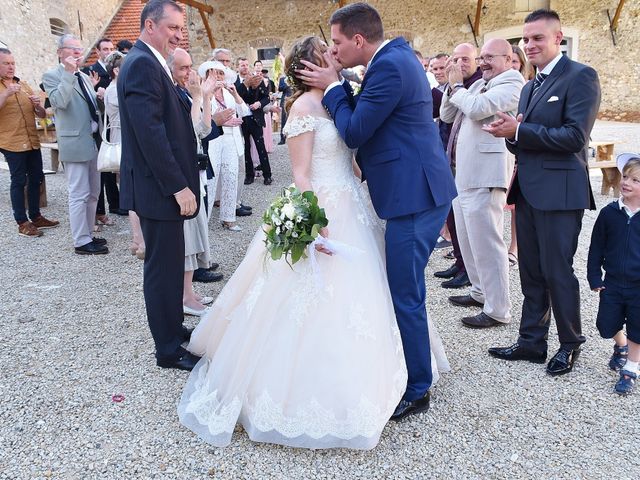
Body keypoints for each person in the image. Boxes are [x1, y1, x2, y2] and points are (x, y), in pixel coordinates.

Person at [178, 35, 449, 449]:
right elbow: (302, 174)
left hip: (354, 204)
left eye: (336, 49)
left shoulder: (343, 96)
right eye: (328, 52)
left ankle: (401, 372)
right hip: (325, 208)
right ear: (308, 66)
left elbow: (356, 143)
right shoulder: (303, 107)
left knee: (385, 287)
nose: (336, 55)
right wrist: (312, 218)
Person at [297, 2, 457, 420]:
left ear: (358, 40)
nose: (334, 51)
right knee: (404, 288)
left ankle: (418, 387)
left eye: (336, 42)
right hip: (416, 191)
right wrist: (342, 81)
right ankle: (411, 366)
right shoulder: (393, 58)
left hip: (415, 196)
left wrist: (333, 86)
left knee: (404, 291)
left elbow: (354, 129)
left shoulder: (388, 67)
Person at [483, 9, 601, 376]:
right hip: (530, 190)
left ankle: (570, 344)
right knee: (531, 271)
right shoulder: (530, 85)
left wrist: (518, 133)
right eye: (525, 39)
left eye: (537, 38)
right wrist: (511, 134)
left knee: (557, 270)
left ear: (557, 38)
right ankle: (532, 341)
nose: (529, 45)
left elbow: (574, 138)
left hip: (561, 193)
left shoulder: (581, 77)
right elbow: (526, 142)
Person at [118, 0, 201, 371]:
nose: (178, 35)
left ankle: (173, 326)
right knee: (161, 269)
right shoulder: (140, 65)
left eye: (181, 29)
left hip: (164, 188)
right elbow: (150, 133)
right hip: (159, 190)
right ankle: (167, 350)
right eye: (172, 28)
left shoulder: (151, 61)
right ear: (150, 25)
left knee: (170, 264)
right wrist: (178, 187)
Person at [440, 38, 524, 329]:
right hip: (463, 174)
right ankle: (479, 292)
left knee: (488, 243)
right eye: (483, 57)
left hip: (487, 174)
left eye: (490, 57)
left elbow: (477, 109)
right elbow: (447, 114)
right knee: (468, 239)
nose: (484, 62)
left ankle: (498, 309)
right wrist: (455, 85)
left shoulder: (513, 82)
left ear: (508, 59)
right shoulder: (475, 85)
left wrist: (459, 88)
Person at [42, 34, 108, 255]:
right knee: (78, 193)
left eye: (80, 49)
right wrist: (69, 74)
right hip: (74, 142)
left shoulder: (83, 75)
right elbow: (59, 102)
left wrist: (99, 97)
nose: (78, 54)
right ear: (61, 52)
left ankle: (88, 233)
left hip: (93, 142)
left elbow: (90, 108)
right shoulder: (53, 75)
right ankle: (80, 241)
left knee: (93, 192)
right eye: (73, 49)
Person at [169, 48, 223, 316]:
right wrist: (198, 97)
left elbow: (204, 129)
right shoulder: (174, 94)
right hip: (183, 176)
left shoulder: (184, 93)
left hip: (194, 173)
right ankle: (185, 297)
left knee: (196, 233)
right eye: (183, 68)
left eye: (190, 67)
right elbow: (190, 131)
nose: (188, 73)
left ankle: (189, 292)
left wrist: (207, 97)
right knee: (187, 240)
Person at [587, 154, 640, 395]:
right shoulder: (610, 213)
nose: (627, 182)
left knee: (638, 328)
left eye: (636, 180)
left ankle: (631, 368)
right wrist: (594, 277)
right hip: (613, 283)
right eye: (626, 176)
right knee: (606, 325)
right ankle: (620, 345)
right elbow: (596, 247)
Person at [0, 48, 59, 237]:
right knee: (19, 180)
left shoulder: (23, 85)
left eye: (12, 63)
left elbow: (41, 115)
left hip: (31, 140)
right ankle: (21, 221)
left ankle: (36, 216)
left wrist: (37, 106)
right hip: (11, 140)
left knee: (36, 177)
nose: (11, 67)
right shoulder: (4, 88)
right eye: (6, 63)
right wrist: (6, 93)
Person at [199, 60, 251, 231]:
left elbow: (244, 111)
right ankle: (203, 222)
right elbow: (202, 119)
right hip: (213, 139)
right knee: (211, 180)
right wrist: (222, 122)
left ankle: (229, 217)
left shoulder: (229, 94)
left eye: (221, 73)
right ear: (207, 76)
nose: (218, 77)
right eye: (214, 73)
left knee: (231, 176)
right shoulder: (203, 94)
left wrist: (235, 94)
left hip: (231, 140)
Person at [235, 57, 272, 185]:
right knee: (246, 148)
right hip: (242, 119)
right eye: (242, 65)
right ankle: (249, 175)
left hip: (255, 118)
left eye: (246, 64)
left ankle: (267, 175)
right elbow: (236, 96)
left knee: (260, 146)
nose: (245, 67)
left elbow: (266, 98)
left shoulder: (257, 79)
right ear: (237, 67)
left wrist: (259, 103)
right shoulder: (235, 83)